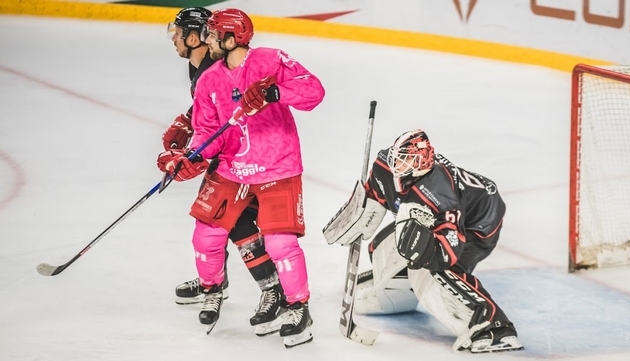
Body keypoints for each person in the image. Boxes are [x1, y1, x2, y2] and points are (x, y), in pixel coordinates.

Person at [157, 8, 325, 347]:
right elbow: (208, 131)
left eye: (214, 35)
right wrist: (192, 157)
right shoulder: (208, 80)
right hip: (233, 170)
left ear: (231, 39)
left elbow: (313, 92)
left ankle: (297, 307)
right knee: (205, 237)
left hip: (278, 166)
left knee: (280, 242)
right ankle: (212, 289)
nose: (208, 40)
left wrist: (276, 92)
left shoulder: (269, 61)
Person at [323, 129, 523, 353]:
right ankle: (398, 292)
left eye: (407, 159)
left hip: (480, 223)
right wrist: (359, 211)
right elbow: (373, 196)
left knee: (436, 268)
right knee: (384, 245)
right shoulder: (384, 166)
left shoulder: (440, 194)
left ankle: (493, 327)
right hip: (447, 210)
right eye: (398, 157)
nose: (399, 164)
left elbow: (449, 252)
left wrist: (426, 253)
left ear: (422, 162)